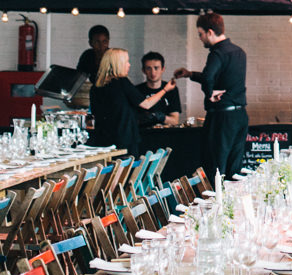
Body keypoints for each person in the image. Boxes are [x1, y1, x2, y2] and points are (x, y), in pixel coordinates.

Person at [174, 12, 248, 179]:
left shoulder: (217, 53)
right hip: (240, 116)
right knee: (234, 169)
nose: (200, 38)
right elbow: (217, 79)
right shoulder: (239, 52)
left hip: (221, 118)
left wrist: (209, 95)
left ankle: (215, 196)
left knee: (215, 167)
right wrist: (190, 74)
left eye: (200, 34)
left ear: (210, 32)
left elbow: (208, 77)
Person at [90, 49, 177, 157]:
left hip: (103, 140)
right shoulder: (121, 81)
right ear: (118, 64)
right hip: (124, 139)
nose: (129, 65)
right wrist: (165, 90)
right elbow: (146, 104)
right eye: (126, 61)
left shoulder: (96, 87)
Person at [137, 51, 181, 127]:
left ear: (162, 69)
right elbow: (134, 120)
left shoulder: (172, 89)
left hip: (165, 132)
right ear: (143, 70)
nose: (153, 72)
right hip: (143, 132)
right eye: (148, 68)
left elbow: (175, 121)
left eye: (156, 68)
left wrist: (160, 117)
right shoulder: (137, 90)